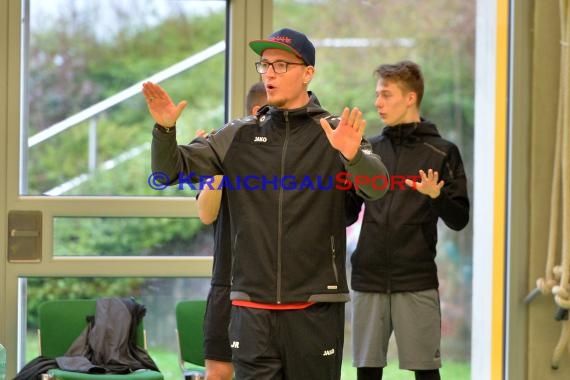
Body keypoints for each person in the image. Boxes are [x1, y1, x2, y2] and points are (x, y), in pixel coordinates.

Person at [143, 27, 389, 380]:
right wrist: (164, 131)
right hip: (250, 310)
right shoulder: (238, 135)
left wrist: (352, 156)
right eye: (265, 64)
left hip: (316, 306)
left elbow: (377, 187)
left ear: (308, 73)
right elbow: (168, 172)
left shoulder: (336, 134)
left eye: (281, 65)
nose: (269, 73)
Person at [349, 60, 470, 380]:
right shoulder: (368, 150)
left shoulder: (443, 152)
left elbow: (459, 219)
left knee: (426, 374)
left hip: (416, 279)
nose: (377, 103)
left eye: (386, 95)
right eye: (377, 95)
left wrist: (436, 196)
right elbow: (347, 207)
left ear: (410, 97)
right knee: (366, 373)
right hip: (368, 277)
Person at [196, 81, 267, 380]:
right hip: (228, 283)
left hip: (273, 290)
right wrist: (215, 171)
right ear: (257, 111)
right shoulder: (225, 149)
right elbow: (206, 213)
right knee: (220, 371)